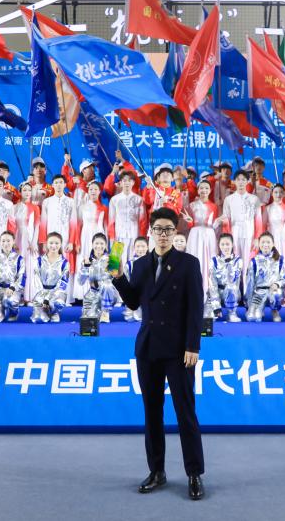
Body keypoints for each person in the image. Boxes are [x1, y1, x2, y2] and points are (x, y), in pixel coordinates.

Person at [110, 207, 205, 501]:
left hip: (179, 351)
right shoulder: (140, 265)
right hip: (148, 348)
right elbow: (134, 302)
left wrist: (193, 345)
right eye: (158, 230)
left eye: (168, 230)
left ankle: (194, 474)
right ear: (150, 232)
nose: (163, 235)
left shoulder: (189, 264)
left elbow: (196, 307)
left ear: (175, 232)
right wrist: (119, 278)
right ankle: (157, 471)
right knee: (152, 413)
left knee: (185, 412)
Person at [183, 179, 219, 296]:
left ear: (210, 190)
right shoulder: (191, 205)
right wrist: (190, 222)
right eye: (201, 188)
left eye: (206, 188)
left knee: (209, 261)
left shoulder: (214, 206)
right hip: (195, 234)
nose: (204, 190)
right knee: (195, 259)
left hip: (209, 235)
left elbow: (214, 225)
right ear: (198, 190)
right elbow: (189, 224)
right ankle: (194, 290)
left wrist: (217, 222)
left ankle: (209, 291)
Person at [78, 232, 118, 323]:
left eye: (102, 243)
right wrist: (86, 266)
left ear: (106, 245)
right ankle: (98, 312)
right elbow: (80, 282)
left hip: (108, 293)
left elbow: (116, 279)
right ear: (92, 245)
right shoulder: (87, 260)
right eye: (96, 243)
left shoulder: (111, 259)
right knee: (89, 319)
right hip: (92, 294)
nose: (99, 246)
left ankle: (105, 312)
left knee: (107, 284)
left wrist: (113, 266)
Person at [245, 232, 284, 322]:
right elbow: (250, 283)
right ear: (259, 244)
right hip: (259, 292)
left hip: (273, 291)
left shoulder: (279, 260)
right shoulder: (254, 261)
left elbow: (284, 279)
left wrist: (277, 284)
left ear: (273, 244)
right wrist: (249, 304)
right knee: (253, 318)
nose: (265, 245)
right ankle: (259, 309)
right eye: (263, 242)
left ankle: (275, 311)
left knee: (276, 294)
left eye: (268, 242)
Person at [33, 232, 70, 323]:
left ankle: (54, 312)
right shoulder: (39, 261)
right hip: (42, 292)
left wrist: (49, 298)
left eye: (57, 243)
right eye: (51, 243)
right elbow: (36, 280)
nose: (54, 246)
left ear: (61, 244)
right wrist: (43, 297)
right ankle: (44, 311)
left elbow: (63, 283)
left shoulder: (64, 263)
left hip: (57, 292)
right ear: (47, 244)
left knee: (59, 302)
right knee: (39, 319)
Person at [0, 231, 26, 323]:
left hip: (13, 290)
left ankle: (13, 312)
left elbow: (22, 277)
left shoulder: (19, 259)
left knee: (10, 300)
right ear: (0, 242)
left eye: (8, 241)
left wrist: (12, 288)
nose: (6, 243)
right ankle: (1, 307)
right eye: (3, 241)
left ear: (13, 242)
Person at [123, 236, 150, 322]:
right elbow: (125, 280)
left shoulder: (153, 262)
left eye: (143, 246)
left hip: (147, 293)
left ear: (147, 247)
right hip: (133, 293)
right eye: (138, 246)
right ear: (134, 248)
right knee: (129, 318)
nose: (140, 249)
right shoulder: (129, 264)